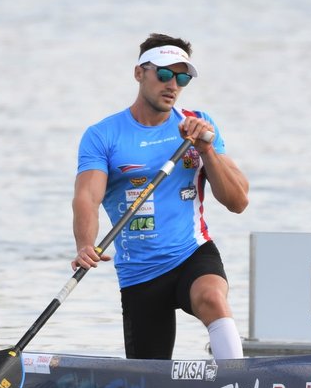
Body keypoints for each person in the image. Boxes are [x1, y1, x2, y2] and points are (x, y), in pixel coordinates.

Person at [71, 33, 249, 360]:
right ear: (140, 73)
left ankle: (238, 382)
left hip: (191, 253)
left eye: (182, 78)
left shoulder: (199, 126)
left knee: (212, 297)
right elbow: (87, 198)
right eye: (164, 74)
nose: (173, 85)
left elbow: (238, 201)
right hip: (140, 272)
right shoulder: (103, 135)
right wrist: (85, 244)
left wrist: (206, 150)